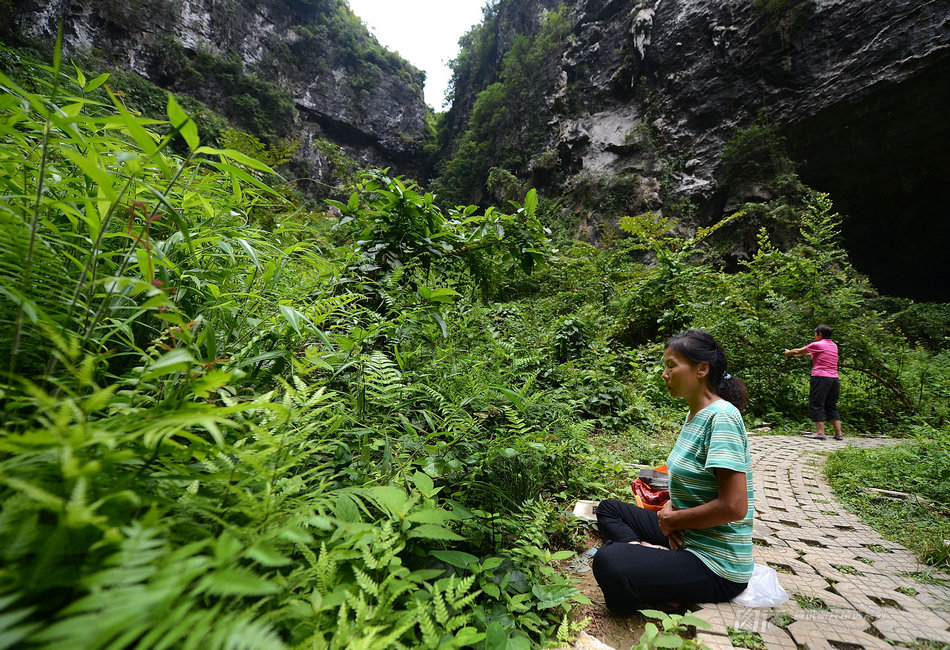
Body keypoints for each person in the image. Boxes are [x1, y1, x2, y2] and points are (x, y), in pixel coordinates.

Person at [592, 330, 754, 615]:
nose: (664, 374)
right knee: (608, 509)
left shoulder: (723, 418)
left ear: (702, 369)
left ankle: (651, 588)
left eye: (671, 365)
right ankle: (647, 551)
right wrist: (670, 508)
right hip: (685, 533)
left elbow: (735, 506)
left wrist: (672, 520)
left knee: (609, 561)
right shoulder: (694, 414)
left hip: (716, 562)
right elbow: (692, 482)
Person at [784, 324, 843, 441]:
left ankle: (820, 432)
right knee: (831, 405)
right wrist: (801, 353)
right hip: (834, 379)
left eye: (815, 334)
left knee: (816, 403)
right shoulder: (833, 346)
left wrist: (788, 353)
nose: (815, 336)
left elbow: (798, 350)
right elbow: (811, 353)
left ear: (819, 335)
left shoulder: (817, 344)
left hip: (821, 377)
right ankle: (838, 433)